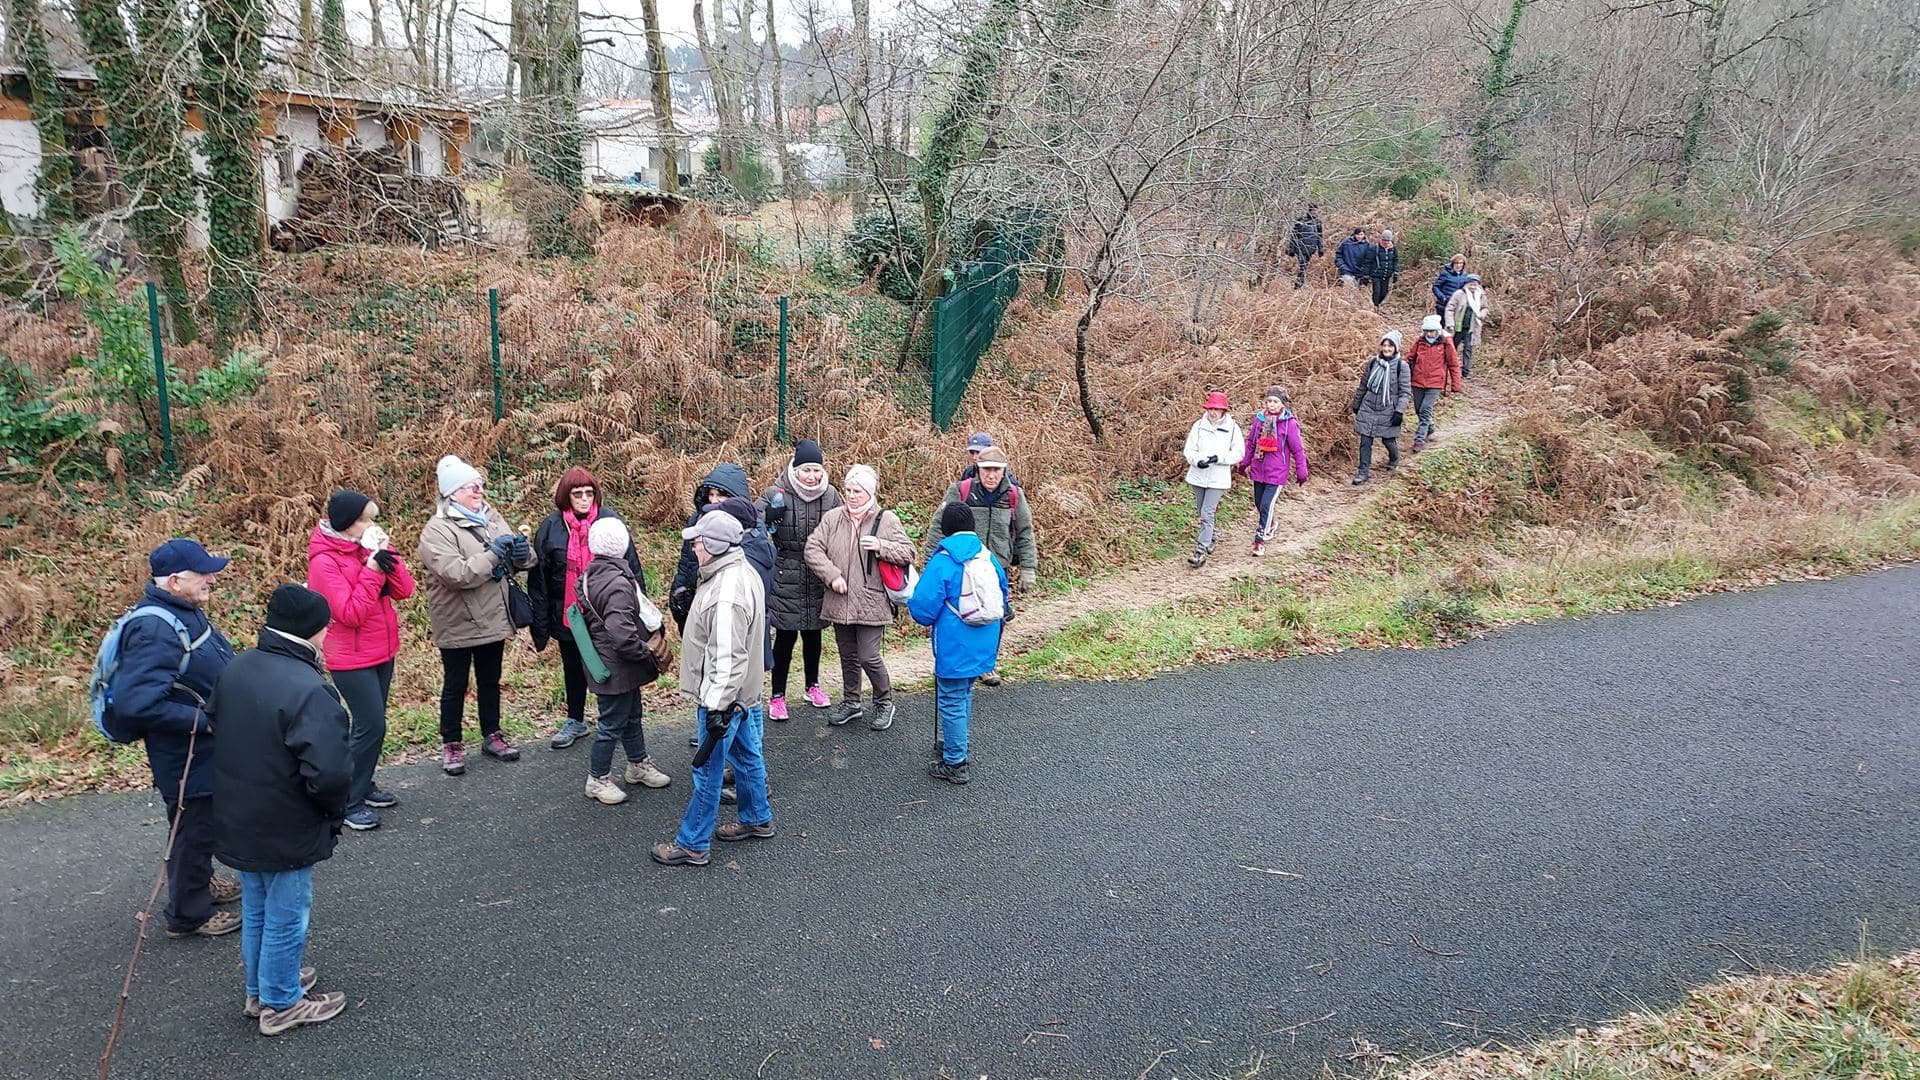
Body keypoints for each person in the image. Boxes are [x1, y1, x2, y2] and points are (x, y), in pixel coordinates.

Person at [208, 584, 351, 1035]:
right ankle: (283, 1004)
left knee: (258, 905)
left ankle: (264, 987)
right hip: (286, 819)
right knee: (288, 913)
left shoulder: (238, 667)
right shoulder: (309, 689)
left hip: (239, 812)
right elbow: (328, 773)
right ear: (314, 632)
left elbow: (215, 723)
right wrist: (330, 811)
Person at [112, 539, 240, 938]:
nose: (211, 578)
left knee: (203, 822)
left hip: (199, 749)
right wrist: (206, 721)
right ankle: (189, 914)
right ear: (173, 580)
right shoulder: (154, 628)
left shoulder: (180, 609)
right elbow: (135, 705)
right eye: (203, 574)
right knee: (192, 828)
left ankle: (200, 882)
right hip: (185, 753)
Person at [652, 513, 774, 866]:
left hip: (723, 697)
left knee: (707, 770)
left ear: (716, 546)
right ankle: (757, 819)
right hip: (741, 695)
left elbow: (727, 655)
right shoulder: (737, 571)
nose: (693, 547)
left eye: (698, 541)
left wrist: (716, 706)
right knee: (748, 756)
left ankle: (692, 842)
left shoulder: (725, 592)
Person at [416, 455, 536, 776]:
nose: (479, 490)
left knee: (490, 680)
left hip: (494, 616)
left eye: (480, 485)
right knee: (455, 684)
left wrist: (524, 556)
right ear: (453, 493)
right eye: (472, 486)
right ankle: (452, 743)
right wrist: (494, 553)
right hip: (457, 620)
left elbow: (518, 559)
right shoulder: (436, 531)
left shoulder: (491, 517)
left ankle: (492, 734)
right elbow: (457, 574)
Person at [305, 490, 415, 832]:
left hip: (381, 648)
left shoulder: (363, 547)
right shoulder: (324, 562)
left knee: (373, 724)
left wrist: (386, 555)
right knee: (370, 725)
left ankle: (362, 783)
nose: (370, 525)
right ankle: (347, 802)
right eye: (364, 520)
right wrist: (370, 570)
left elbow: (405, 590)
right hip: (350, 655)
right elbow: (349, 613)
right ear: (346, 523)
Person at [529, 467, 644, 750]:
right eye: (577, 493)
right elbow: (539, 579)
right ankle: (575, 720)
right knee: (573, 667)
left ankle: (618, 722)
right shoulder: (551, 527)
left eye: (589, 493)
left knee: (614, 665)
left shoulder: (609, 520)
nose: (583, 499)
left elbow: (631, 565)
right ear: (566, 496)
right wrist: (540, 624)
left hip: (607, 610)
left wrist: (640, 606)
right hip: (570, 613)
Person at [804, 464, 915, 731]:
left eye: (857, 491)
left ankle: (884, 700)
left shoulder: (885, 520)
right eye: (848, 490)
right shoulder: (833, 518)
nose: (851, 495)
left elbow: (909, 553)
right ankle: (852, 702)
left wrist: (882, 546)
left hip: (872, 601)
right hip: (839, 601)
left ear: (870, 492)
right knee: (848, 656)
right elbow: (812, 548)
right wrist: (832, 575)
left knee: (868, 656)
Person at [907, 502, 1009, 785]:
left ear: (945, 529)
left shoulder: (943, 561)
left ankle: (955, 762)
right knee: (963, 694)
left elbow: (922, 609)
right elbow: (1004, 592)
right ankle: (956, 743)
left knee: (951, 700)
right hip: (985, 642)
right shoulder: (987, 557)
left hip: (955, 645)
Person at [575, 517, 672, 804]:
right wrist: (648, 655)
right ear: (624, 544)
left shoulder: (595, 573)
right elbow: (622, 636)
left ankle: (638, 764)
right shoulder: (617, 583)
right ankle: (597, 778)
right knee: (611, 725)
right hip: (617, 667)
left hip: (614, 665)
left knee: (631, 717)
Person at [923, 445, 1035, 686]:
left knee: (995, 616)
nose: (991, 475)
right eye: (986, 470)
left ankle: (987, 665)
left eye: (996, 470)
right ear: (978, 469)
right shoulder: (961, 491)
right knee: (961, 616)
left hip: (996, 570)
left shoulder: (1014, 496)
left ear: (1004, 471)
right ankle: (959, 663)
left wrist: (1028, 568)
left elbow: (1025, 532)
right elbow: (937, 526)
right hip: (960, 568)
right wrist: (930, 563)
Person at [755, 440, 841, 722]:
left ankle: (812, 686)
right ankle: (777, 695)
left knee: (814, 634)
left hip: (818, 572)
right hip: (785, 570)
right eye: (807, 469)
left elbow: (843, 527)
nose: (812, 476)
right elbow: (754, 522)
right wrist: (768, 520)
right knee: (785, 637)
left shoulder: (830, 496)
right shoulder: (777, 492)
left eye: (816, 470)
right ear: (795, 468)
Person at [668, 463, 753, 632]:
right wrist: (679, 591)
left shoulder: (748, 529)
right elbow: (686, 561)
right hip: (696, 598)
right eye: (711, 494)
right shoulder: (697, 522)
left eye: (721, 495)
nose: (714, 500)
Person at [1238, 386, 1310, 556]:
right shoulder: (1260, 419)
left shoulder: (1289, 423)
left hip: (1277, 471)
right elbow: (1251, 443)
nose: (1271, 405)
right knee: (1259, 502)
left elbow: (1297, 449)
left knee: (1266, 504)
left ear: (1282, 404)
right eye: (1269, 401)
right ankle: (1270, 523)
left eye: (1275, 401)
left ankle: (1259, 541)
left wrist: (1302, 471)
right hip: (1259, 467)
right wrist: (1244, 463)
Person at [1182, 390, 1244, 568]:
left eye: (1216, 409)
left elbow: (1238, 453)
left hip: (1218, 478)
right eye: (1210, 408)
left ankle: (1200, 551)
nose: (1213, 412)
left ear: (1224, 410)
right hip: (1198, 476)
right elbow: (1189, 450)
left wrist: (1219, 458)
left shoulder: (1233, 429)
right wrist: (1197, 461)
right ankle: (1212, 536)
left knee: (1207, 513)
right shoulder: (1198, 426)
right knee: (1202, 511)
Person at [1349, 331, 1412, 485]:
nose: (1386, 348)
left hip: (1389, 408)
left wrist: (1399, 411)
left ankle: (1394, 458)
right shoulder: (1372, 362)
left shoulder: (1401, 366)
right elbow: (1363, 385)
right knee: (1365, 440)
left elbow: (1405, 392)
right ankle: (1363, 472)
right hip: (1369, 405)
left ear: (1396, 348)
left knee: (1388, 440)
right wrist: (1357, 403)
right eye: (1384, 345)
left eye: (1390, 345)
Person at [1407, 314, 1463, 453]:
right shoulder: (1419, 342)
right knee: (1419, 410)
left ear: (1438, 331)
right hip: (1417, 381)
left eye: (1432, 331)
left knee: (1425, 409)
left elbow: (1453, 364)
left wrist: (1456, 384)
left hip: (1435, 383)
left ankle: (1419, 440)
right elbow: (1409, 359)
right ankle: (1430, 427)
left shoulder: (1446, 343)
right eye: (1427, 331)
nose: (1430, 334)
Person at [1444, 273, 1489, 379]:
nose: (1473, 287)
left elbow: (1485, 308)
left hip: (1472, 327)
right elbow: (1450, 308)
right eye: (1470, 284)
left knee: (1468, 349)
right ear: (1466, 284)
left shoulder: (1481, 295)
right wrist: (1450, 323)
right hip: (1457, 326)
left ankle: (1466, 371)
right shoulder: (1459, 294)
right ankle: (1448, 367)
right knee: (1452, 347)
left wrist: (1481, 315)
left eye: (1475, 285)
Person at [1286, 204, 1323, 289]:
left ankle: (1299, 283)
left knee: (1304, 266)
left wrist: (1320, 249)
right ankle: (1298, 285)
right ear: (1309, 211)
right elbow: (1294, 235)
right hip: (1300, 248)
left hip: (1311, 249)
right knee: (1302, 265)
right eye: (1313, 211)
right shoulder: (1301, 221)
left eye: (1316, 211)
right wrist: (1291, 248)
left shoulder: (1318, 222)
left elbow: (1320, 236)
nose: (1315, 213)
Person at [1368, 229, 1399, 310]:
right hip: (1376, 274)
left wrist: (1396, 272)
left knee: (1384, 293)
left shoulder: (1393, 249)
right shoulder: (1375, 248)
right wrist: (1366, 275)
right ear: (1381, 239)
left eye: (1388, 240)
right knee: (1377, 292)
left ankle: (1377, 304)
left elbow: (1395, 261)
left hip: (1386, 275)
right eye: (1384, 240)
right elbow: (1367, 262)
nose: (1386, 242)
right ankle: (1375, 307)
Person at [1432, 253, 1470, 318]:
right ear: (1453, 264)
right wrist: (1443, 298)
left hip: (1457, 305)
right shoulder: (1445, 273)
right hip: (1444, 305)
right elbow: (1435, 287)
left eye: (1461, 263)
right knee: (1443, 325)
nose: (1458, 265)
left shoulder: (1464, 275)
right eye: (1456, 263)